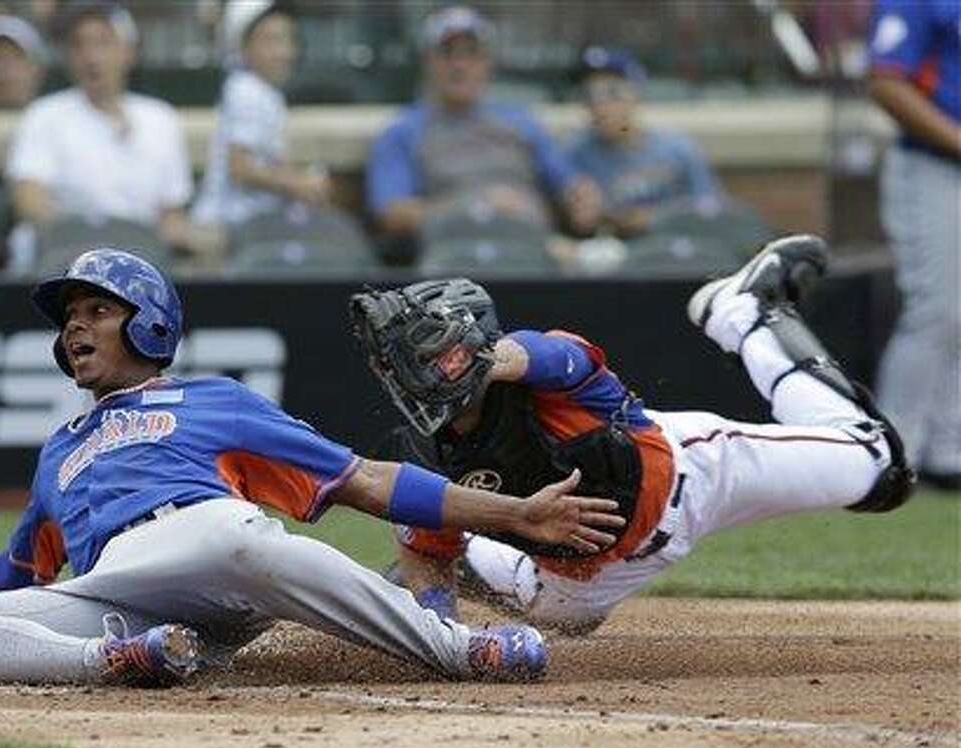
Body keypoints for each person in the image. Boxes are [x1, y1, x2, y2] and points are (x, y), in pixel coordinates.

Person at [0, 248, 627, 686]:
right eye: (69, 320)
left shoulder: (212, 399)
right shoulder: (59, 449)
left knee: (240, 541)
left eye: (94, 309)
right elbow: (18, 569)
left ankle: (460, 650)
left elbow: (365, 481)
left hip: (212, 545)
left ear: (148, 323)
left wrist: (516, 514)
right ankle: (121, 662)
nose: (74, 328)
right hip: (124, 597)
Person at [351, 235, 914, 632]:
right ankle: (442, 575)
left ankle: (743, 314)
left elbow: (558, 356)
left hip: (700, 478)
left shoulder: (543, 371)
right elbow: (427, 548)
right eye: (407, 359)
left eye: (434, 354)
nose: (416, 370)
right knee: (563, 619)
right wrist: (442, 632)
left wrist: (488, 359)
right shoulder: (418, 457)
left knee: (881, 469)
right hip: (572, 587)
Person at [3, 2, 217, 270]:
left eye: (103, 43)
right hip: (67, 260)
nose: (90, 57)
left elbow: (171, 213)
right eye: (79, 45)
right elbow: (29, 201)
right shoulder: (45, 115)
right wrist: (93, 243)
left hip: (141, 263)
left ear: (129, 51)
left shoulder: (161, 118)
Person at [365, 5, 590, 243]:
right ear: (428, 62)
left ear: (487, 63)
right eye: (448, 53)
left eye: (472, 53)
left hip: (534, 249)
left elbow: (568, 182)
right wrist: (475, 205)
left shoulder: (520, 122)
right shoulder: (404, 130)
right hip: (455, 254)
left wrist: (580, 198)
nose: (460, 65)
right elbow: (391, 214)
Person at [867, 0, 961, 490]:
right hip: (932, 165)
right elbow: (885, 82)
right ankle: (890, 453)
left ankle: (949, 454)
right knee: (937, 309)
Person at [559, 45, 724, 239]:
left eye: (613, 93)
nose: (601, 106)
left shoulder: (675, 148)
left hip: (676, 251)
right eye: (589, 95)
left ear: (636, 94)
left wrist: (655, 217)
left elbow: (711, 208)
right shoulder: (574, 154)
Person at [191, 0, 330, 228]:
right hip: (226, 227)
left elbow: (270, 163)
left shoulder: (265, 93)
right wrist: (298, 184)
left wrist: (302, 181)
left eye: (289, 40)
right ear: (243, 47)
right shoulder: (245, 90)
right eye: (272, 41)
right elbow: (240, 168)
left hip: (254, 223)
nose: (285, 52)